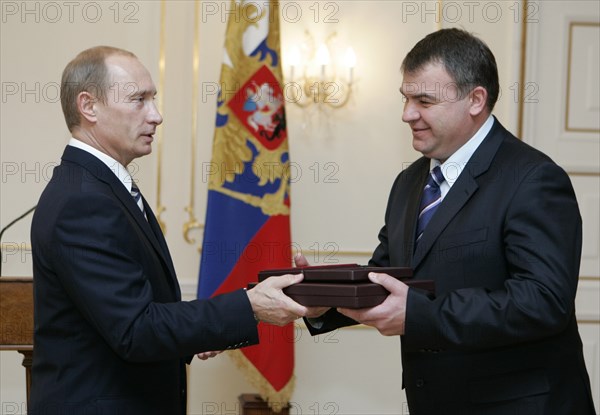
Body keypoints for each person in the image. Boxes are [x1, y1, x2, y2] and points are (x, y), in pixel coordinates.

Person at [299, 28, 596, 415]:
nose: (407, 114)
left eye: (424, 100)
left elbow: (543, 301)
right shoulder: (408, 182)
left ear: (476, 100)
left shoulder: (533, 178)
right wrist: (323, 300)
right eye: (405, 98)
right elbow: (387, 275)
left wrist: (421, 315)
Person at [29, 46, 313, 415]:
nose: (157, 116)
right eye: (138, 100)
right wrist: (249, 306)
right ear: (89, 106)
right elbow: (135, 330)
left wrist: (204, 328)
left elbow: (134, 312)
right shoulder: (83, 201)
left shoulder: (100, 186)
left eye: (154, 99)